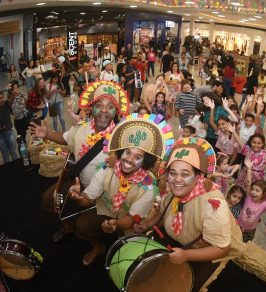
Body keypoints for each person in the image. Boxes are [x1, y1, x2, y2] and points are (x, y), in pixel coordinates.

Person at [134, 138, 266, 292]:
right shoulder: (174, 191)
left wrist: (187, 256)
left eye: (185, 174)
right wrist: (147, 223)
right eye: (172, 173)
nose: (177, 179)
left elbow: (222, 248)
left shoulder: (213, 206)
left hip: (210, 257)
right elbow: (165, 213)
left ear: (199, 177)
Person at [29, 80, 130, 241]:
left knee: (83, 227)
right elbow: (64, 137)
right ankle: (67, 225)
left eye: (110, 106)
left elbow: (134, 171)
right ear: (92, 107)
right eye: (99, 105)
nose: (104, 110)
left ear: (116, 111)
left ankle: (97, 247)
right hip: (78, 181)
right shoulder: (81, 127)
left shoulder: (122, 138)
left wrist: (119, 166)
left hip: (104, 195)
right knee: (48, 199)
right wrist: (47, 134)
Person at [68, 114, 173, 265]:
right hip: (106, 212)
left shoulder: (148, 188)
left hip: (132, 225)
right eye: (128, 152)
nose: (129, 159)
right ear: (121, 151)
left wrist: (115, 225)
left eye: (138, 157)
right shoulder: (106, 171)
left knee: (130, 260)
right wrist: (78, 197)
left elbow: (130, 220)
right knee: (82, 225)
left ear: (145, 161)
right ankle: (98, 247)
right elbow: (86, 200)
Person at [227, 122, 266, 190]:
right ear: (251, 143)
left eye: (259, 143)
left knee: (253, 193)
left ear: (263, 144)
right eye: (254, 142)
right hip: (245, 174)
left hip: (258, 178)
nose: (256, 145)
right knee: (241, 191)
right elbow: (240, 142)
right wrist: (234, 132)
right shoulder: (248, 150)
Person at [238, 158, 266, 242]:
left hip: (250, 231)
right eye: (253, 189)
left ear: (263, 194)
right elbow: (249, 182)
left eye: (257, 191)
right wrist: (249, 169)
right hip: (238, 225)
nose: (253, 192)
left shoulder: (264, 204)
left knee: (244, 245)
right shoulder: (248, 196)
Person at [0, 91, 19, 164]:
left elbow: (11, 98)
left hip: (9, 132)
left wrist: (11, 91)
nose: (1, 100)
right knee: (5, 155)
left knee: (13, 152)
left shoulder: (6, 104)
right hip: (0, 136)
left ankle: (17, 167)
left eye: (2, 98)